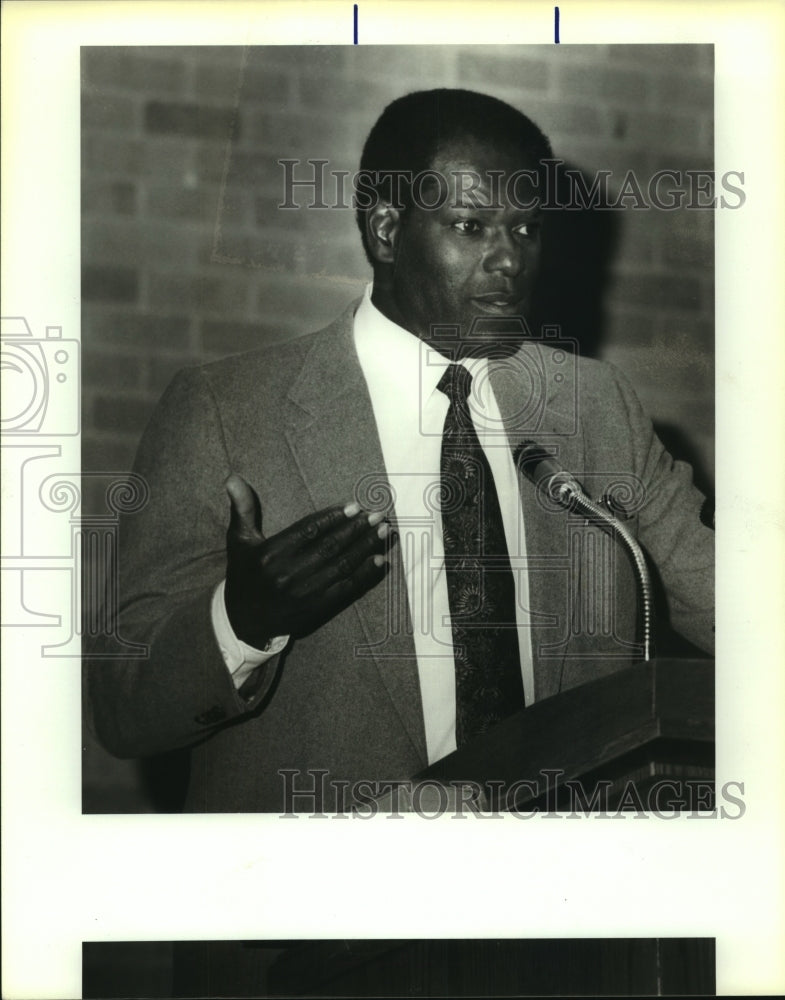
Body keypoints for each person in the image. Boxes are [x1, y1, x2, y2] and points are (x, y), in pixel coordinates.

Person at [84, 89, 714, 813]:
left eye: (527, 229)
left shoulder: (596, 407)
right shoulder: (225, 411)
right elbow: (122, 706)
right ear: (386, 229)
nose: (509, 258)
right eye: (470, 226)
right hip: (322, 904)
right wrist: (241, 621)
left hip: (556, 896)